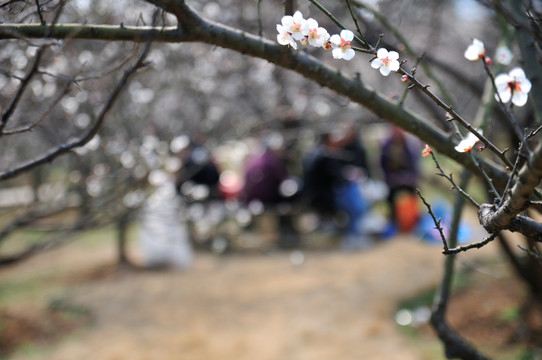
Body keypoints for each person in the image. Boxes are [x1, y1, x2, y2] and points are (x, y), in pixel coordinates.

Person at [302, 125, 371, 249]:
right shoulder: (324, 155)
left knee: (354, 199)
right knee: (354, 205)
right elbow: (334, 174)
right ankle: (353, 235)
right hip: (323, 198)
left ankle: (354, 234)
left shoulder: (317, 152)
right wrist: (348, 173)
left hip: (319, 195)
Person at [379, 126, 420, 232]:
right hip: (393, 179)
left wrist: (408, 177)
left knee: (414, 194)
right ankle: (394, 220)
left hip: (407, 179)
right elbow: (383, 165)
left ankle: (414, 220)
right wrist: (392, 178)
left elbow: (414, 165)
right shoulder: (386, 146)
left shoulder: (409, 145)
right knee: (390, 197)